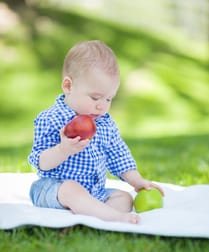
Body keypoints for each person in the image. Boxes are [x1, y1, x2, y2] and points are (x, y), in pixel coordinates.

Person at [28, 40, 164, 224]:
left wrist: (138, 181)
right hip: (54, 189)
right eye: (95, 97)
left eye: (109, 99)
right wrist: (63, 150)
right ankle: (111, 217)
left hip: (94, 192)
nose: (102, 106)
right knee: (71, 188)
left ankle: (95, 216)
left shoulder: (105, 125)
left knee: (124, 198)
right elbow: (40, 162)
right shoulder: (51, 119)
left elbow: (119, 156)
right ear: (68, 86)